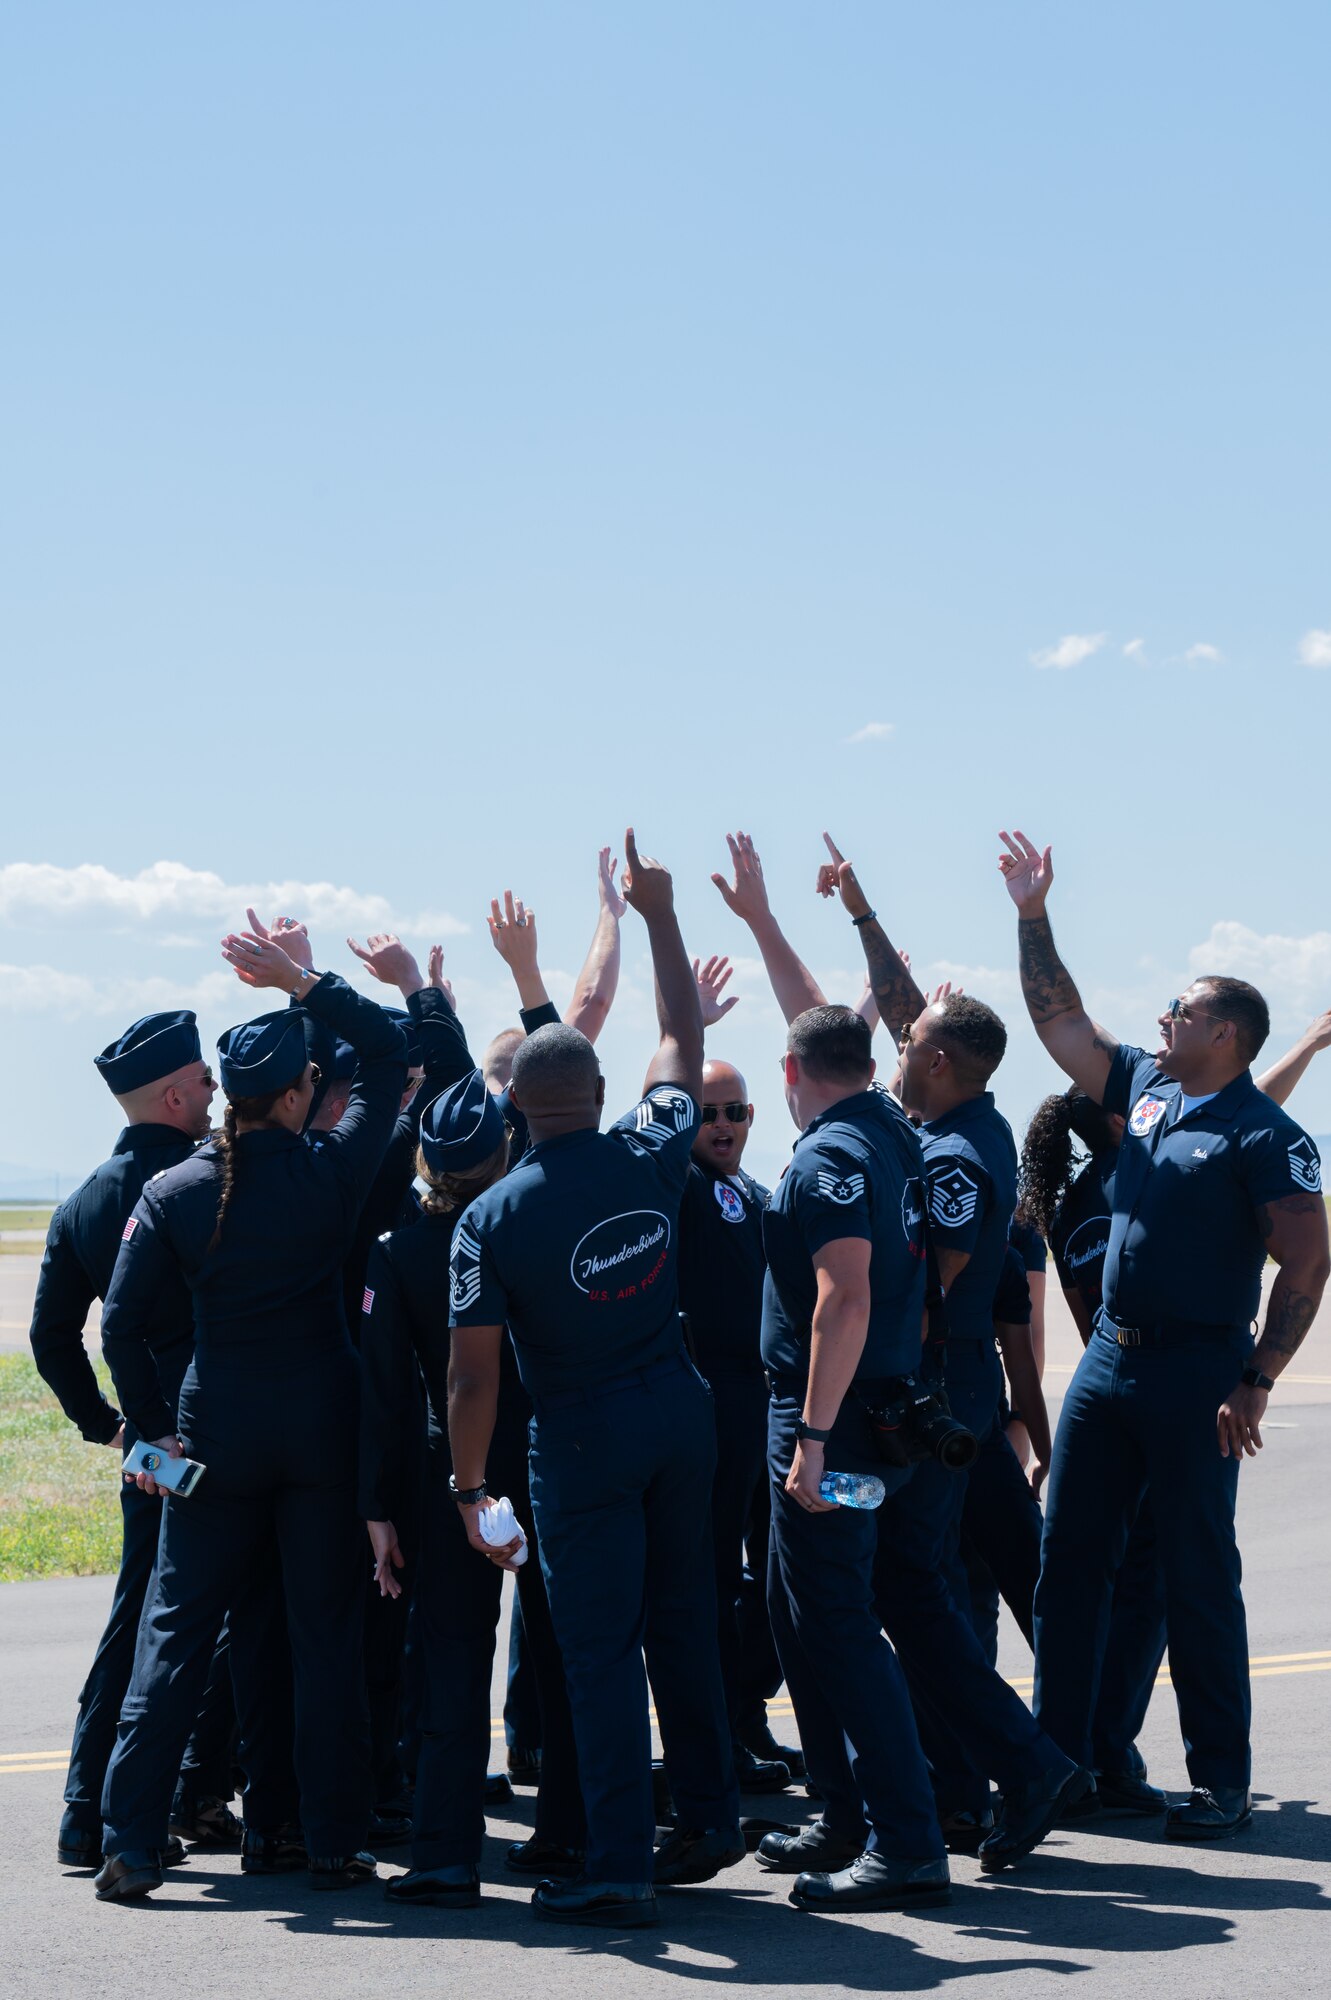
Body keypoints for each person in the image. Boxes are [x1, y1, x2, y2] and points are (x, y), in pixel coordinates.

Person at [999, 827, 1331, 1839]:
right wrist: (1030, 912)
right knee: (1066, 1565)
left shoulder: (1265, 1136)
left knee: (1194, 1573)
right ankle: (1052, 1770)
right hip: (1108, 1364)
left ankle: (1219, 1781)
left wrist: (1257, 1375)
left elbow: (1307, 1263)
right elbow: (1057, 1020)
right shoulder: (1144, 1089)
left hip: (1197, 1370)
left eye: (1179, 1010)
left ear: (1222, 1033)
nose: (1161, 1015)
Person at [448, 830, 741, 1930]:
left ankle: (618, 1859)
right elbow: (680, 1028)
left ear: (517, 1103)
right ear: (599, 1088)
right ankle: (708, 1813)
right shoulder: (655, 1144)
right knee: (685, 1618)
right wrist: (658, 912)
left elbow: (473, 1378)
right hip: (679, 1411)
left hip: (578, 1436)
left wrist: (468, 1484)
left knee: (597, 1645)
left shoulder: (489, 1216)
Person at [92, 934, 407, 1901]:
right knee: (321, 1641)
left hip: (215, 1435)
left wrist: (151, 1429)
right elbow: (392, 1053)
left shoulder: (175, 1188)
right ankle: (327, 1842)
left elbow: (122, 1324)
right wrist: (303, 983)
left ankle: (130, 1844)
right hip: (317, 1431)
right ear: (295, 1096)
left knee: (177, 1635)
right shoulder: (331, 1170)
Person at [813, 833, 1087, 1861]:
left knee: (907, 1586)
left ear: (935, 1059)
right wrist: (857, 905)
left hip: (931, 1391)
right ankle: (980, 1777)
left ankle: (1015, 1766)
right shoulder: (941, 1115)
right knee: (911, 1587)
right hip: (938, 1392)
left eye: (908, 1037)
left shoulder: (959, 1156)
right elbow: (899, 1003)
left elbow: (935, 1290)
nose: (892, 1040)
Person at [748, 1002, 954, 1913]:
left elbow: (845, 1299)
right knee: (799, 1616)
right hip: (877, 1404)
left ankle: (906, 1841)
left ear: (790, 1074)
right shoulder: (892, 1131)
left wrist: (814, 1438)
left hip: (831, 1414)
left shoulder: (829, 1155)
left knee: (834, 1622)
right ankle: (842, 1814)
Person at [30, 1012, 236, 1871]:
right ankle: (190, 1790)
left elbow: (51, 1337)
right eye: (205, 1079)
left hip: (147, 1450)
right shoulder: (208, 1181)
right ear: (174, 1093)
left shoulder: (82, 1198)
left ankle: (87, 1809)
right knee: (220, 1621)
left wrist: (113, 1429)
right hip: (216, 1432)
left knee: (136, 1619)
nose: (217, 1091)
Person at [676, 966, 791, 1796]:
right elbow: (665, 1097)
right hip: (704, 1418)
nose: (723, 1126)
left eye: (736, 1112)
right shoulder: (672, 1188)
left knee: (776, 1578)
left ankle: (750, 1721)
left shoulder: (759, 1193)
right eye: (707, 1113)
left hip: (767, 1414)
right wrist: (694, 1031)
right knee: (714, 1580)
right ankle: (721, 1734)